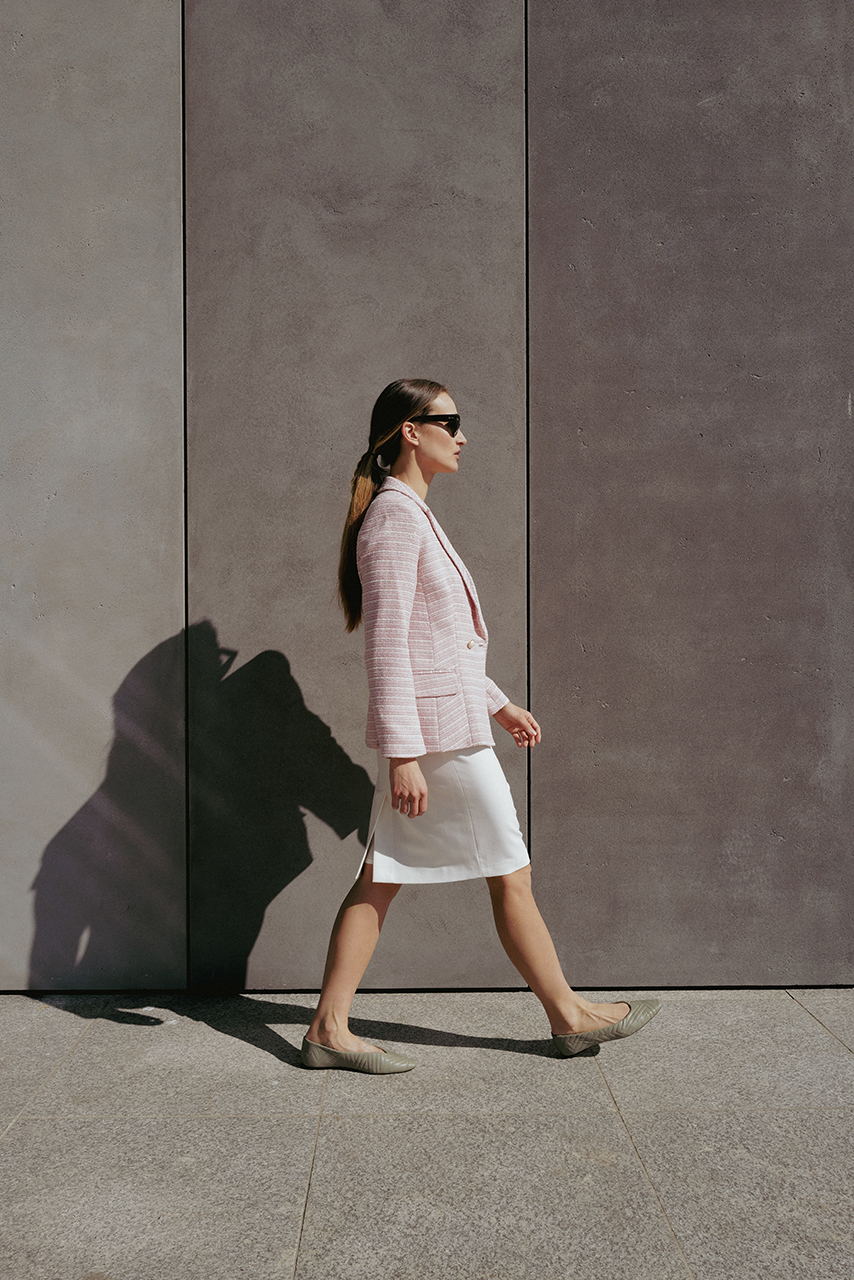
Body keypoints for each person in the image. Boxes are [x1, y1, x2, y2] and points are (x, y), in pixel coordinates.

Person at [302, 379, 660, 1073]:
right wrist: (403, 756)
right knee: (506, 870)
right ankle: (567, 1015)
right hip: (437, 741)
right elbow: (387, 647)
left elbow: (439, 641)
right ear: (411, 431)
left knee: (386, 874)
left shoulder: (409, 513)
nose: (463, 436)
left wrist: (497, 701)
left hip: (449, 727)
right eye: (451, 421)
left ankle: (328, 1029)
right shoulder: (395, 519)